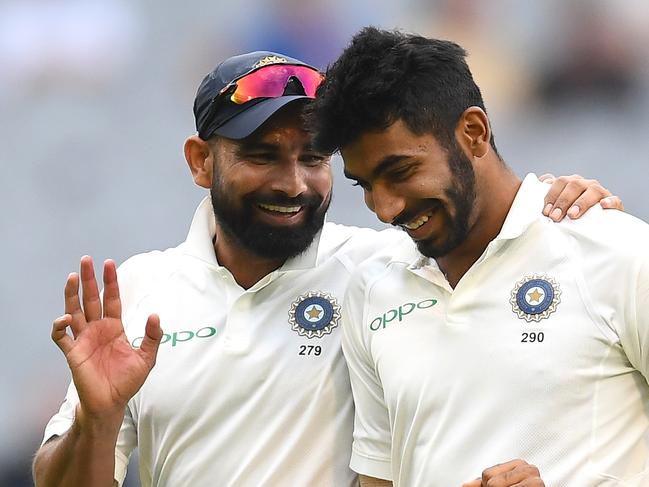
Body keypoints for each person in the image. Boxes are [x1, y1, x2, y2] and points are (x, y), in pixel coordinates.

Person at [33, 51, 621, 487]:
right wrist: (98, 419)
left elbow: (495, 229)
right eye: (263, 157)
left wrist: (560, 200)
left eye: (313, 158)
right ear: (200, 161)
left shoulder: (388, 268)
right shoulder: (139, 289)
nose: (292, 184)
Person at [308, 27, 649, 487]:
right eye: (366, 184)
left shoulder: (613, 249)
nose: (386, 208)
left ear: (473, 132)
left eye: (401, 171)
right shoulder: (373, 289)